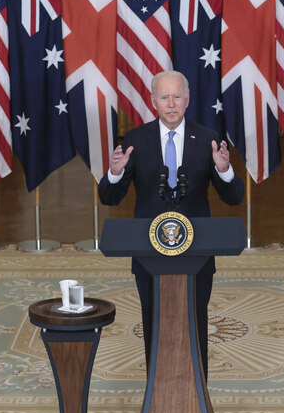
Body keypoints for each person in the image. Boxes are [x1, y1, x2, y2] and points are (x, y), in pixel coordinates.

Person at [98, 70, 244, 378]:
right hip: (149, 253)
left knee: (195, 319)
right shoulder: (136, 140)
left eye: (177, 96)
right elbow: (110, 198)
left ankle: (197, 391)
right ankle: (156, 387)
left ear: (188, 100)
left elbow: (233, 198)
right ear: (153, 101)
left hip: (198, 252)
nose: (171, 103)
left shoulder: (207, 139)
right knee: (154, 320)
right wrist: (115, 173)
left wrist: (224, 169)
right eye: (164, 97)